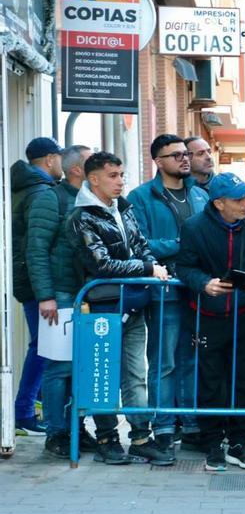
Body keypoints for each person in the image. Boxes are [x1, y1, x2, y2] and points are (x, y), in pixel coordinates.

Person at [72, 151, 174, 466]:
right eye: (113, 176)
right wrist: (147, 267)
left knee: (136, 374)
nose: (120, 182)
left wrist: (151, 264)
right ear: (93, 179)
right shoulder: (82, 216)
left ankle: (141, 437)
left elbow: (141, 243)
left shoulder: (123, 207)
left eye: (121, 175)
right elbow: (101, 263)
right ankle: (107, 438)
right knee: (104, 374)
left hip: (132, 301)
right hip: (102, 306)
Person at [176, 172, 245, 472]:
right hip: (207, 315)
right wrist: (204, 283)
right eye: (238, 198)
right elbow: (185, 266)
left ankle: (239, 441)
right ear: (219, 203)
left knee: (243, 379)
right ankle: (213, 443)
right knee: (210, 381)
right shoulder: (194, 227)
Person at [129, 134, 209, 449]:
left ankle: (189, 424)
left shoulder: (200, 195)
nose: (184, 158)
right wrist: (182, 245)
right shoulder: (141, 197)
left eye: (185, 153)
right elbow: (140, 244)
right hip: (165, 291)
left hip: (198, 289)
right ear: (158, 161)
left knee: (190, 360)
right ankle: (163, 426)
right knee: (164, 361)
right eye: (176, 155)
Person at [31, 145, 95, 458]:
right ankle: (56, 432)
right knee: (59, 368)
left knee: (81, 366)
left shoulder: (91, 200)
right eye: (90, 160)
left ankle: (76, 430)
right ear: (76, 170)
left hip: (88, 294)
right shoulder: (50, 199)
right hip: (60, 295)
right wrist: (46, 296)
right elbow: (37, 250)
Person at [11, 137, 63, 433]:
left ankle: (34, 409)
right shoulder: (41, 192)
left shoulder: (23, 188)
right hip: (35, 281)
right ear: (49, 159)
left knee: (43, 346)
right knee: (42, 347)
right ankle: (25, 413)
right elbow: (37, 245)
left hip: (27, 278)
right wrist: (45, 292)